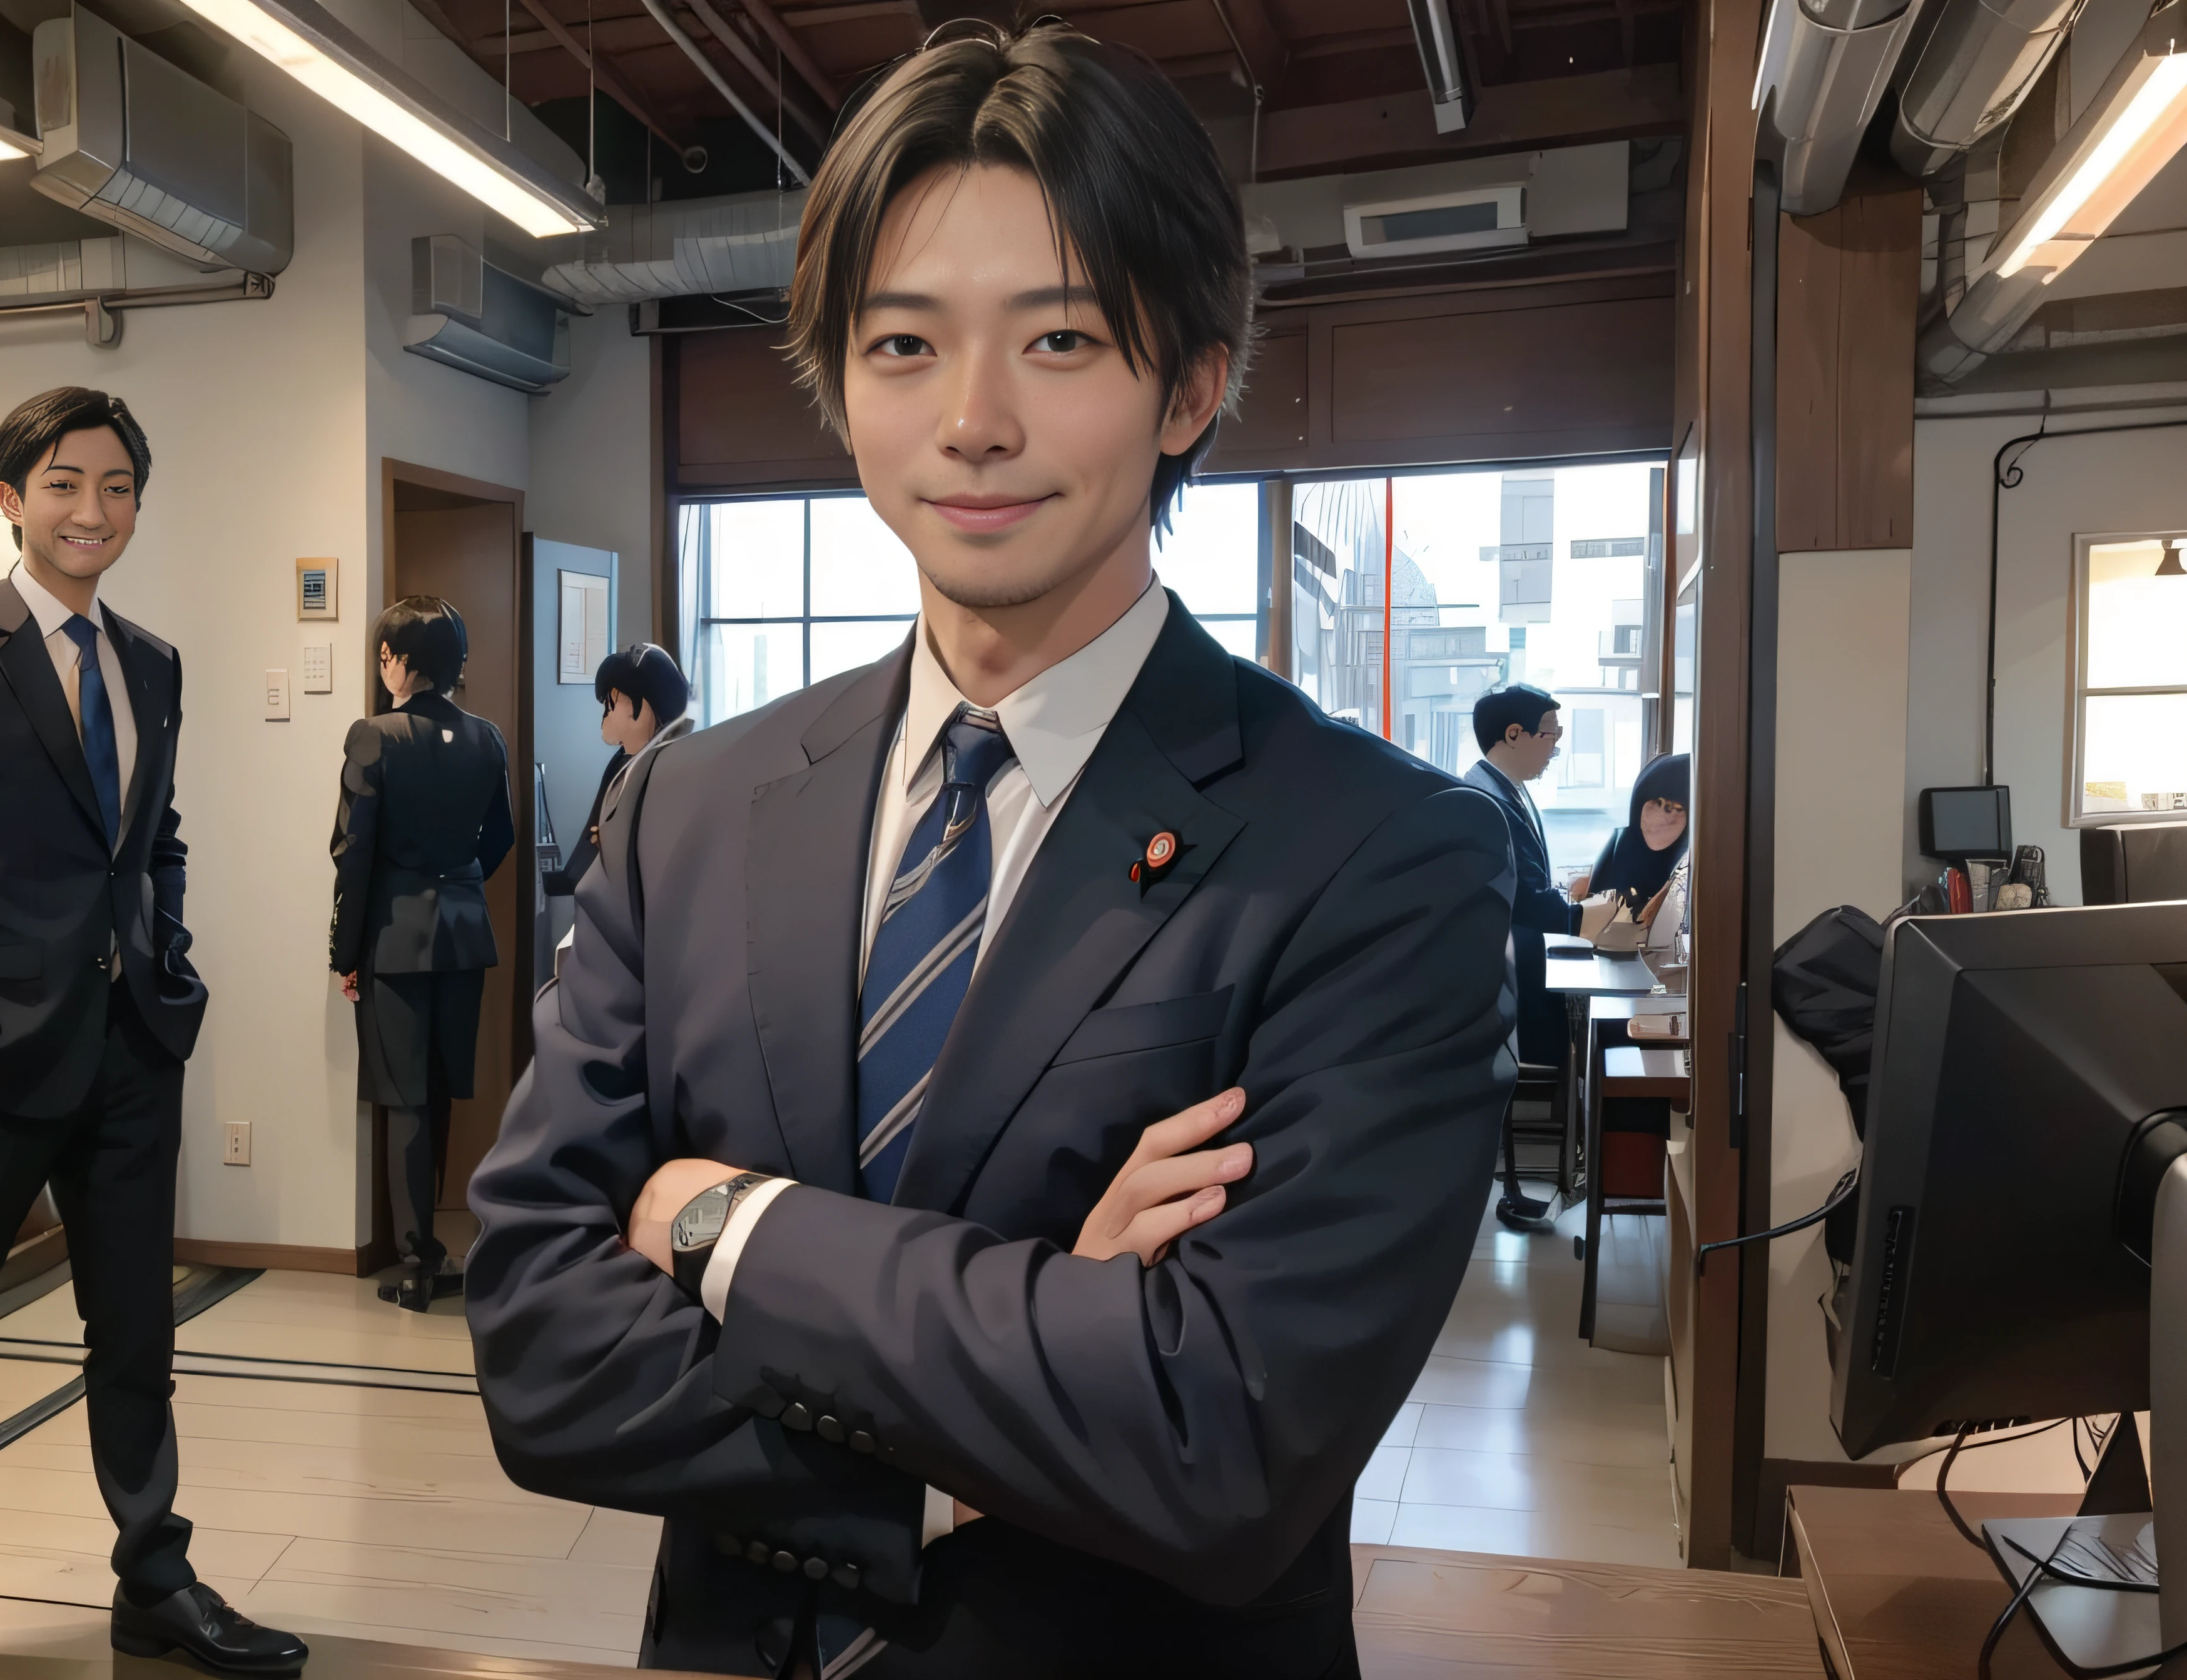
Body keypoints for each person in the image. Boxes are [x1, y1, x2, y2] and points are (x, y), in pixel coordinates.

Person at [465, 26, 1516, 1679]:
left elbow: (1215, 1435)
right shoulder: (693, 801)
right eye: (901, 343)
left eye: (1060, 338)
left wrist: (725, 1222)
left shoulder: (1379, 853)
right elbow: (535, 1333)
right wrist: (1018, 1379)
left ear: (1191, 383)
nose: (970, 419)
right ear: (836, 380)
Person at [0, 388, 305, 1680]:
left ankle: (153, 1576)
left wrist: (172, 967)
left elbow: (157, 843)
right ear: (11, 499)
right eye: (65, 484)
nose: (94, 509)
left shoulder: (150, 659)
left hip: (133, 1043)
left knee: (136, 1329)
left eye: (119, 486)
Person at [330, 597, 514, 1313]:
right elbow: (498, 839)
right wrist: (457, 884)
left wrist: (344, 950)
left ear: (402, 663)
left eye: (385, 656)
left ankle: (414, 1263)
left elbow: (353, 852)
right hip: (464, 936)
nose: (382, 668)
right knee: (437, 1094)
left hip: (395, 940)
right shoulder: (487, 738)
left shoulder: (374, 737)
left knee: (404, 1099)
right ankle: (430, 1252)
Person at [1463, 684, 1578, 1230]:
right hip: (1500, 967)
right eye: (1550, 735)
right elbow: (1526, 896)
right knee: (1505, 1080)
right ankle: (1510, 1189)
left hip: (1516, 959)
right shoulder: (1484, 799)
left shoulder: (1506, 788)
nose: (1555, 748)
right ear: (1515, 735)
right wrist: (1579, 915)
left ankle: (1518, 1186)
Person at [540, 642, 689, 901]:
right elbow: (593, 836)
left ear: (641, 708)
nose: (604, 718)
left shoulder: (667, 768)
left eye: (611, 706)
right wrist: (562, 880)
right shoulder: (623, 763)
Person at [1571, 751, 1689, 919]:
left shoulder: (1678, 866)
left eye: (1676, 808)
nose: (1665, 815)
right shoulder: (1626, 845)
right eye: (1661, 804)